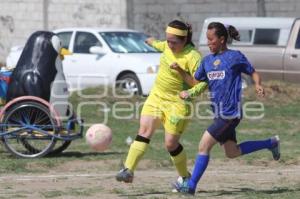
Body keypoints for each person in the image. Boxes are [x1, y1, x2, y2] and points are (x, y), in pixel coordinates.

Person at [173, 22, 280, 195]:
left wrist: (258, 84)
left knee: (203, 146)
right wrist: (179, 71)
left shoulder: (235, 57)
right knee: (232, 152)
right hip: (219, 114)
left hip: (230, 113)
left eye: (211, 39)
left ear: (222, 39)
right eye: (207, 39)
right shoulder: (207, 61)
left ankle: (190, 186)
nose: (208, 43)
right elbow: (195, 82)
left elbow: (253, 72)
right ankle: (271, 143)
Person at [115, 20, 207, 183]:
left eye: (174, 42)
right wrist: (148, 40)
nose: (169, 45)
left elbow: (198, 83)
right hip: (156, 97)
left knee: (170, 144)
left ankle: (185, 177)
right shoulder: (166, 45)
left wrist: (179, 70)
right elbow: (157, 44)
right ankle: (128, 170)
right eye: (168, 40)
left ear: (184, 40)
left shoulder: (193, 56)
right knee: (144, 130)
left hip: (178, 104)